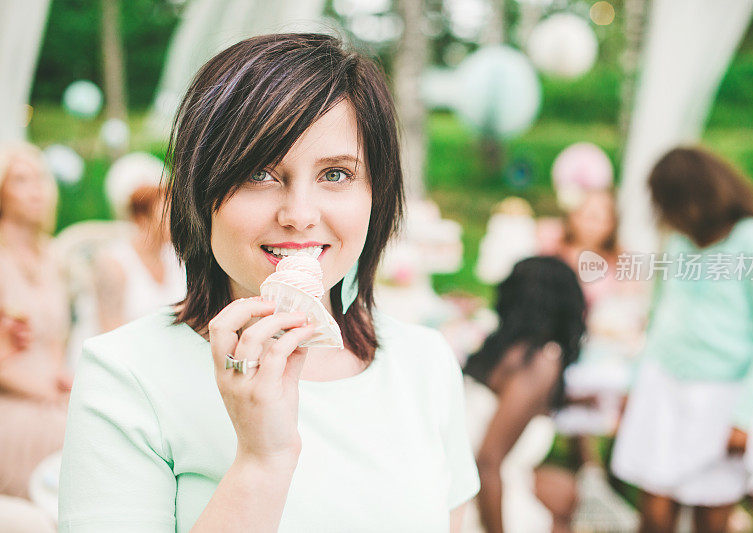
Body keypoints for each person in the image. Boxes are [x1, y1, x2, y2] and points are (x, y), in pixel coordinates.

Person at [58, 34, 480, 532]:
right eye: (260, 172)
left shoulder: (424, 365)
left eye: (337, 175)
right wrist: (262, 462)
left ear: (377, 195)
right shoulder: (126, 377)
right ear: (199, 189)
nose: (299, 215)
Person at [610, 147, 753, 533]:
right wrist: (636, 383)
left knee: (711, 516)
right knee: (655, 515)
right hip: (664, 390)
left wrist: (745, 415)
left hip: (725, 398)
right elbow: (661, 318)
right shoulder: (680, 242)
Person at [462, 256, 587, 533]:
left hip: (464, 475)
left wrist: (578, 400)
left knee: (566, 491)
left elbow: (510, 402)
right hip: (476, 493)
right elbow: (487, 463)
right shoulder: (540, 361)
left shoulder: (504, 348)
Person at [0, 142, 71, 499]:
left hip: (51, 396)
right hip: (13, 404)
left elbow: (56, 340)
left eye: (40, 178)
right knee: (81, 436)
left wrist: (61, 381)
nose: (36, 190)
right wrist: (44, 392)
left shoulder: (53, 258)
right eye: (20, 180)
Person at [93, 152, 186, 332]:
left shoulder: (176, 256)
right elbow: (109, 332)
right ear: (140, 217)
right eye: (166, 209)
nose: (178, 217)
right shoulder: (113, 263)